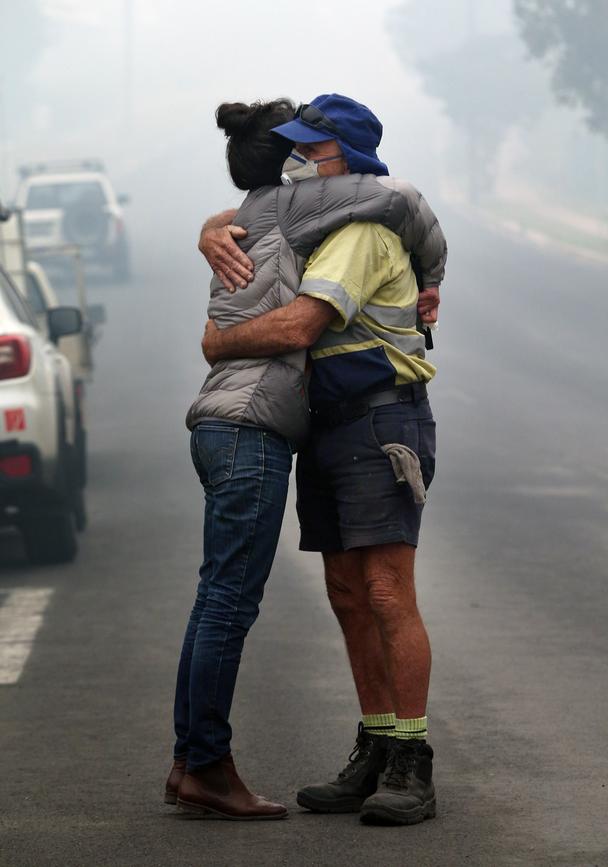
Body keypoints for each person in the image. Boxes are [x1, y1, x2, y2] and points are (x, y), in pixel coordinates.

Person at [167, 96, 445, 820]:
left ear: (340, 162)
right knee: (349, 594)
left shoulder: (359, 230)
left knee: (384, 590)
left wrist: (217, 342)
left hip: (379, 419)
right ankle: (378, 744)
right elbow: (255, 221)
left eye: (308, 152)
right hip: (323, 424)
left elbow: (303, 321)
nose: (295, 165)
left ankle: (411, 759)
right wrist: (212, 227)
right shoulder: (309, 221)